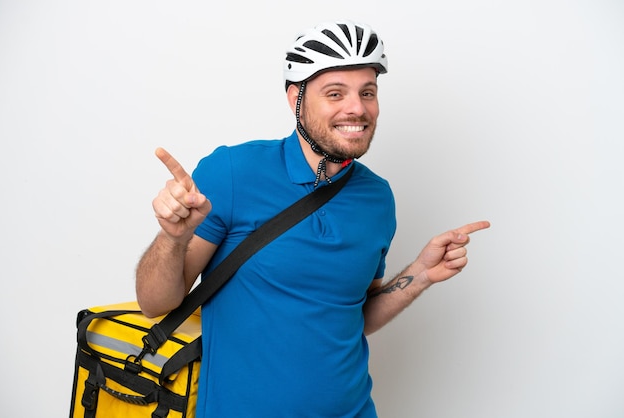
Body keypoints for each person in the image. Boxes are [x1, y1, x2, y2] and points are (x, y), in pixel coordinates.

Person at [136, 19, 490, 418]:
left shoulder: (377, 198)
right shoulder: (232, 172)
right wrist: (172, 238)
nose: (357, 108)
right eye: (335, 93)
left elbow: (352, 316)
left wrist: (420, 274)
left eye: (367, 92)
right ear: (296, 99)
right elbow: (154, 303)